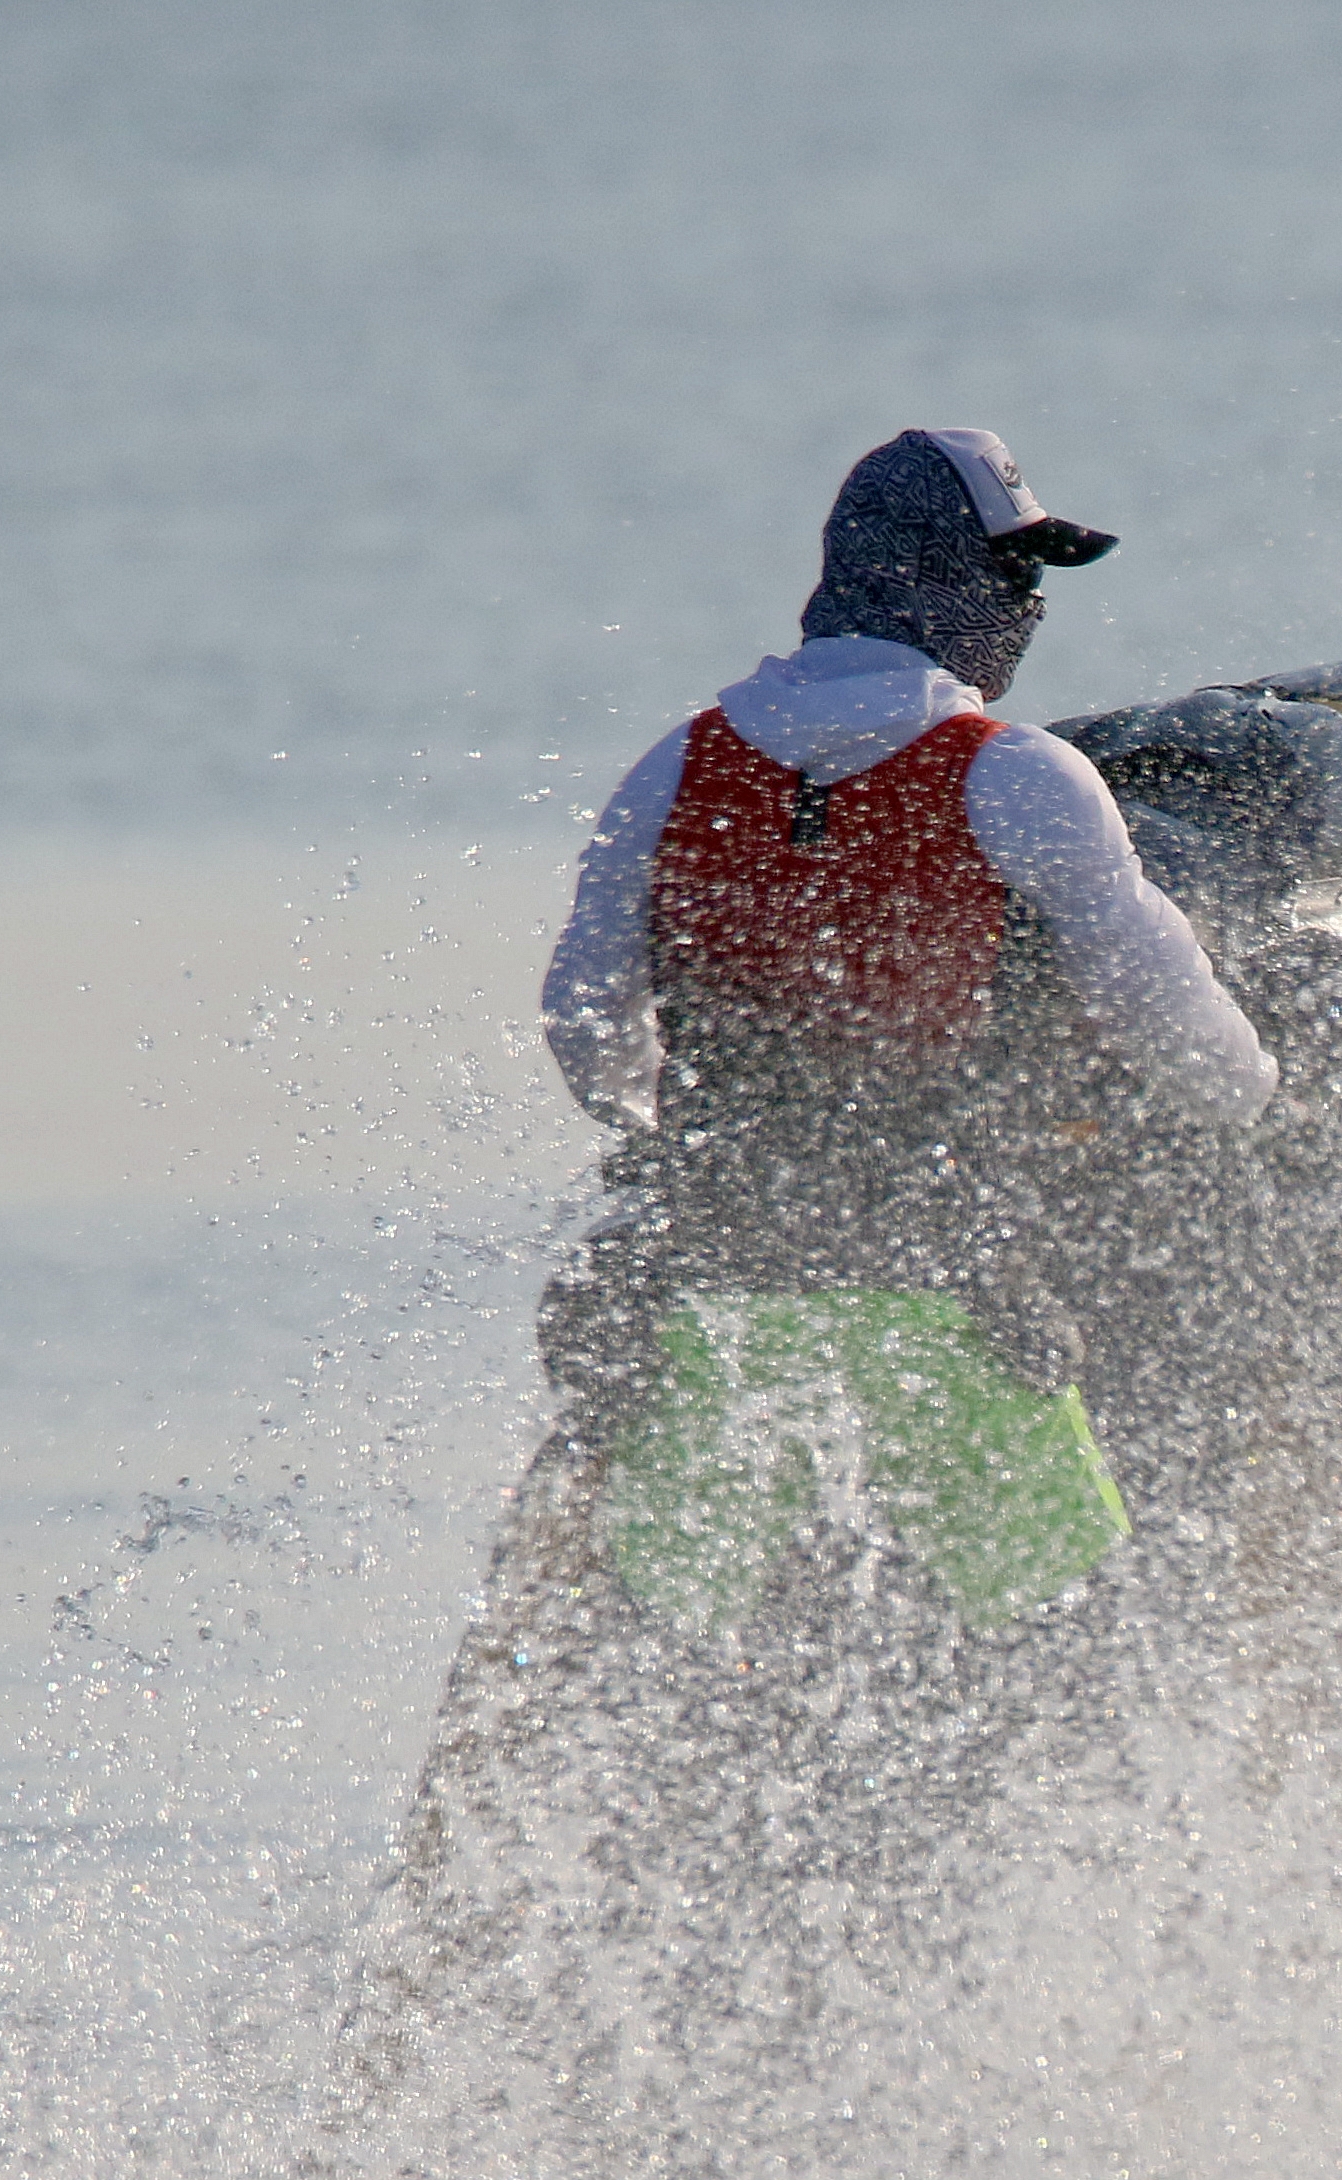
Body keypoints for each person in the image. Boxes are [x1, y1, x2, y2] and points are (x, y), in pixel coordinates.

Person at [529, 429, 1277, 1480]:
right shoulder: (1018, 777)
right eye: (1011, 570)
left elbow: (584, 1023)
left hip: (715, 1296)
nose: (1029, 606)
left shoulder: (674, 768)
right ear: (932, 576)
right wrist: (1259, 1100)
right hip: (948, 1296)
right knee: (1053, 1608)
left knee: (671, 1625)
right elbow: (1178, 1030)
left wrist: (676, 1140)